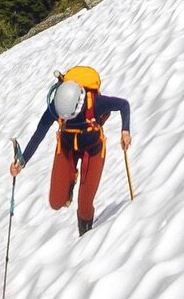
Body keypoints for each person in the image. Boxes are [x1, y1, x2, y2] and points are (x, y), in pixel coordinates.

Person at [11, 65, 131, 235]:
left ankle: (86, 235)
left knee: (85, 206)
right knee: (55, 201)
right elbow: (39, 133)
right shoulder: (57, 105)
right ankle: (70, 179)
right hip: (68, 147)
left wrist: (125, 130)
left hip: (93, 149)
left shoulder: (95, 103)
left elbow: (124, 105)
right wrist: (21, 162)